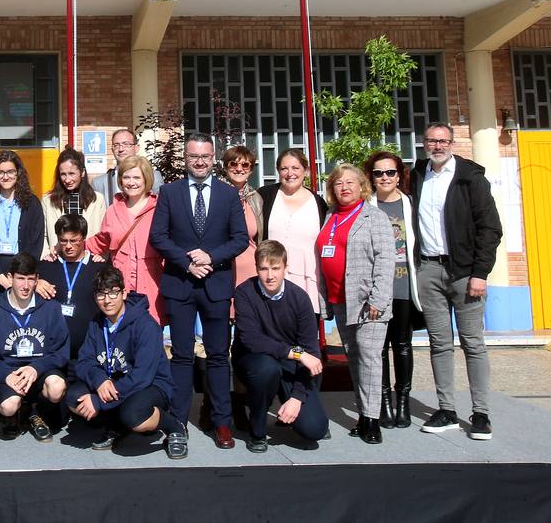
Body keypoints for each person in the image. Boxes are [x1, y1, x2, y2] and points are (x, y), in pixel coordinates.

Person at [149, 132, 249, 450]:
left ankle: (221, 422)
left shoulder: (228, 194)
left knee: (219, 356)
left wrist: (211, 257)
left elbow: (239, 238)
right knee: (181, 356)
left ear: (213, 158)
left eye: (205, 156)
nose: (200, 161)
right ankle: (178, 421)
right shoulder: (169, 192)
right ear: (186, 158)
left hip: (216, 285)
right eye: (194, 156)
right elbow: (159, 236)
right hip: (180, 284)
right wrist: (186, 262)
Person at [410, 122, 503, 442]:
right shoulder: (418, 174)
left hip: (465, 273)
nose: (437, 146)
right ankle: (446, 409)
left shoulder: (470, 178)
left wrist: (481, 273)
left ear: (452, 143)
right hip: (430, 270)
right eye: (431, 141)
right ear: (424, 143)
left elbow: (490, 229)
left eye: (442, 141)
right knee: (439, 344)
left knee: (473, 344)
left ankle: (480, 413)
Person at [68, 266, 184, 458]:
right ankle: (116, 425)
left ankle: (174, 427)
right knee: (74, 397)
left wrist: (98, 400)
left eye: (113, 293)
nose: (107, 300)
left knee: (133, 415)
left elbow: (142, 376)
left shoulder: (146, 325)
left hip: (151, 384)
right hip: (112, 380)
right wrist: (99, 380)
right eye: (101, 294)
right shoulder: (97, 322)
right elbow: (84, 361)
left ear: (123, 293)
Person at [315, 163, 395, 445]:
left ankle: (372, 421)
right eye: (338, 183)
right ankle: (363, 414)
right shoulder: (330, 216)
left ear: (362, 186)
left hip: (368, 302)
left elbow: (386, 260)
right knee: (355, 360)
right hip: (341, 301)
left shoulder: (374, 217)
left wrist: (379, 298)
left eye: (350, 182)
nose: (344, 187)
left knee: (370, 360)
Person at [232, 240, 329, 453]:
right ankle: (257, 431)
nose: (270, 275)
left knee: (315, 430)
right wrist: (297, 353)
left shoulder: (300, 299)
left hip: (289, 364)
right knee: (267, 368)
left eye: (275, 268)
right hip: (254, 360)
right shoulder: (244, 293)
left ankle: (291, 404)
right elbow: (251, 340)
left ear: (286, 268)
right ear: (256, 268)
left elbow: (310, 352)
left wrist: (296, 398)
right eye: (264, 268)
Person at [0, 253, 69, 441]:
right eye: (20, 279)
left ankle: (36, 413)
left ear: (37, 280)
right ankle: (13, 415)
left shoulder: (51, 309)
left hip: (39, 371)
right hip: (9, 373)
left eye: (30, 279)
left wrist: (37, 368)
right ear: (10, 278)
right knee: (9, 406)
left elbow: (62, 352)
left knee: (57, 387)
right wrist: (5, 375)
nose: (25, 286)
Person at [364, 150, 420, 429]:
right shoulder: (367, 206)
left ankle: (403, 402)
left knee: (403, 345)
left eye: (390, 172)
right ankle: (383, 402)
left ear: (399, 175)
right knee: (379, 347)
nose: (384, 177)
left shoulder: (411, 204)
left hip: (404, 286)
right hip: (377, 289)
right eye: (378, 173)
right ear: (371, 178)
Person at [87, 154, 164, 325]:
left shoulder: (160, 208)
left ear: (146, 179)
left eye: (136, 177)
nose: (131, 182)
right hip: (121, 286)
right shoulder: (113, 210)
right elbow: (100, 242)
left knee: (149, 336)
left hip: (152, 284)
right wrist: (68, 248)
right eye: (126, 177)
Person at [257, 149, 328, 322]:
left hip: (308, 279)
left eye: (295, 168)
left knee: (304, 333)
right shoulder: (265, 196)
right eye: (284, 168)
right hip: (272, 277)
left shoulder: (318, 203)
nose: (290, 174)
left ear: (306, 170)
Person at [38, 214, 111, 361]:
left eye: (74, 241)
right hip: (54, 352)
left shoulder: (99, 267)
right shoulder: (46, 267)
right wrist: (35, 283)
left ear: (83, 239)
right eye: (63, 241)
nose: (68, 246)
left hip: (90, 352)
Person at [0, 149, 44, 288]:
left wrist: (22, 277)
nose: (5, 177)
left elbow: (36, 244)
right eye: (0, 172)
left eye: (10, 171)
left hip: (23, 275)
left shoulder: (32, 203)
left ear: (18, 172)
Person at [42, 146, 107, 257]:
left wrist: (99, 256)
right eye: (63, 174)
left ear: (82, 173)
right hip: (57, 261)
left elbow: (103, 234)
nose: (67, 180)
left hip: (88, 261)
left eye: (71, 173)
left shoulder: (97, 200)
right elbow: (43, 235)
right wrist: (47, 255)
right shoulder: (47, 200)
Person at [223, 145, 264, 296]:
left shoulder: (256, 198)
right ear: (226, 167)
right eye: (233, 163)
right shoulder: (216, 195)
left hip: (250, 269)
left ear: (251, 170)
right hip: (223, 269)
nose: (239, 169)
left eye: (245, 165)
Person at [94, 128, 163, 205]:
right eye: (116, 145)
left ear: (136, 148)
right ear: (112, 149)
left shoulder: (154, 177)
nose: (121, 149)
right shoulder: (99, 183)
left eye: (126, 144)